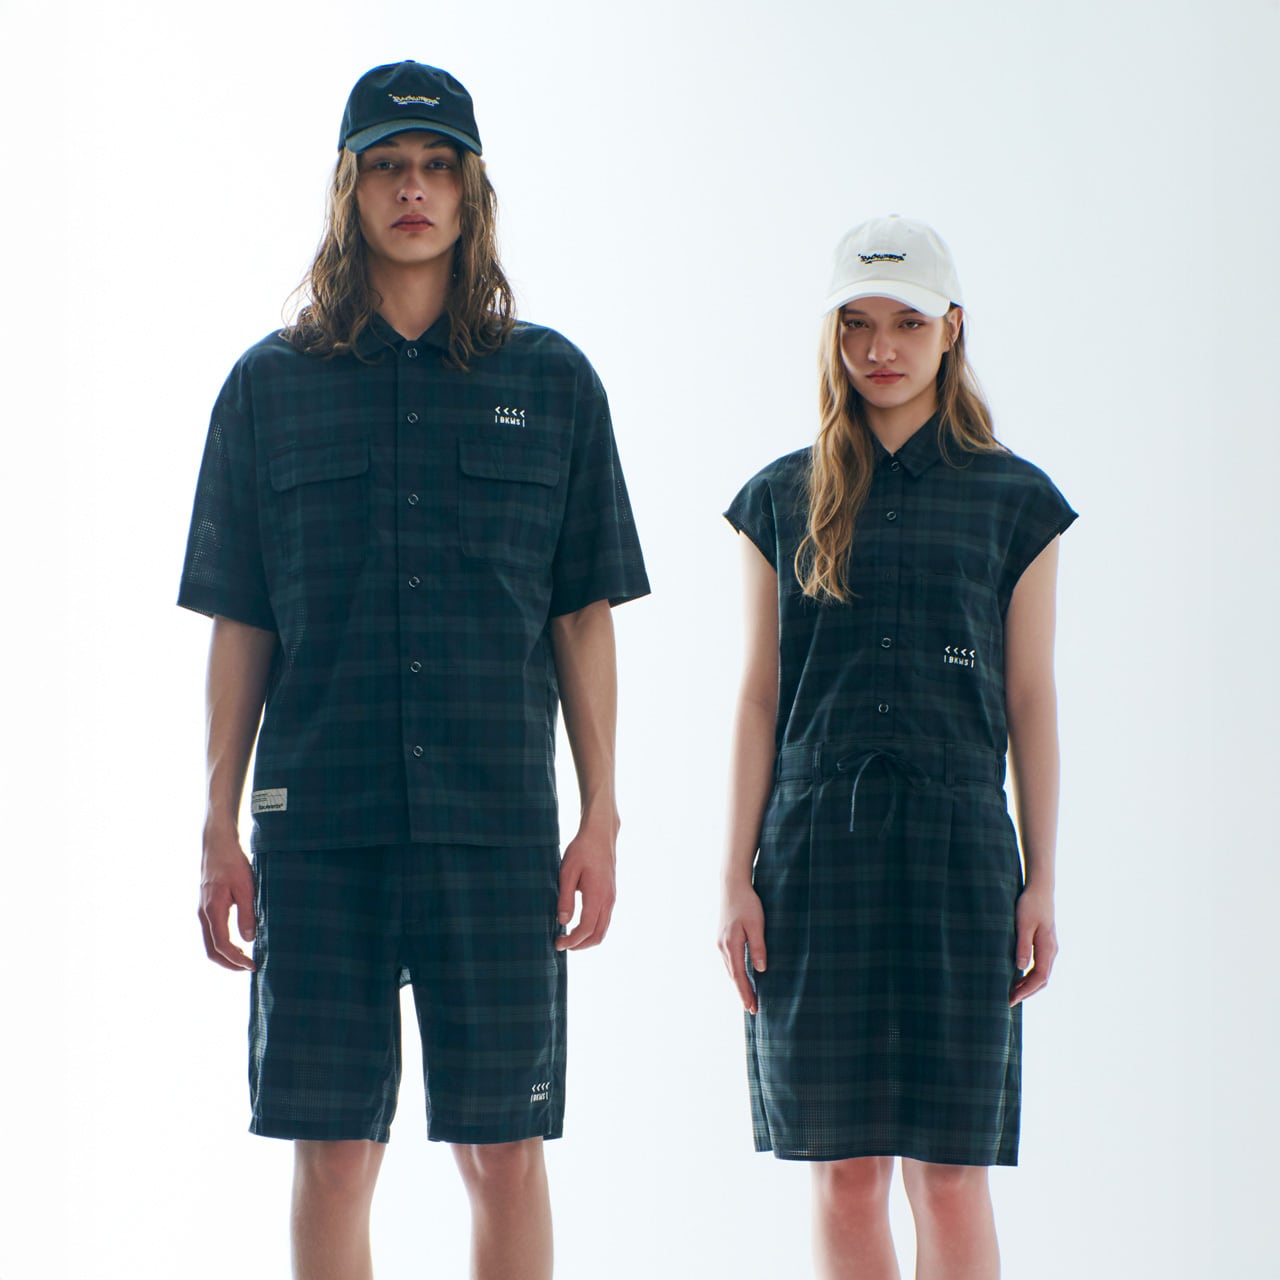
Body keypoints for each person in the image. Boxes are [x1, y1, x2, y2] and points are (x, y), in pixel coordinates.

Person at [178, 60, 649, 1280]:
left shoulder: (552, 383)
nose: (413, 189)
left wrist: (600, 813)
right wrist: (217, 822)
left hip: (494, 827)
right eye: (387, 166)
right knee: (335, 1151)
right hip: (317, 828)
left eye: (437, 166)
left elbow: (581, 614)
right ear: (349, 189)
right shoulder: (267, 388)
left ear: (470, 191)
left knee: (502, 1148)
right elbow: (240, 623)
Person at [718, 215, 1074, 1279]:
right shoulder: (778, 498)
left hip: (959, 853)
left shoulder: (1014, 501)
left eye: (908, 323)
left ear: (951, 328)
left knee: (951, 1173)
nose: (881, 348)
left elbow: (1029, 697)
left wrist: (1042, 877)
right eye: (858, 324)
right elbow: (758, 698)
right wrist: (733, 877)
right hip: (812, 853)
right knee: (843, 1173)